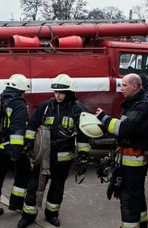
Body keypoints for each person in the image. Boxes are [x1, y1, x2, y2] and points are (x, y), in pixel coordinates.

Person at [18, 74, 91, 228]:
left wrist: (84, 157)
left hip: (63, 158)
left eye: (61, 92)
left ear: (70, 92)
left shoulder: (79, 110)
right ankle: (28, 215)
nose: (57, 95)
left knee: (57, 188)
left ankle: (52, 214)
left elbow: (84, 135)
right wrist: (29, 143)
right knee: (34, 185)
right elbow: (32, 125)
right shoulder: (45, 107)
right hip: (43, 155)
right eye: (55, 92)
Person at [95, 73, 148, 228]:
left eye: (124, 85)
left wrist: (103, 118)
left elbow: (125, 128)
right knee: (137, 197)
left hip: (133, 164)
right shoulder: (133, 103)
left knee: (129, 200)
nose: (121, 88)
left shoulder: (142, 106)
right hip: (127, 160)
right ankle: (142, 225)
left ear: (134, 87)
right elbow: (122, 127)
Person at [0, 74, 32, 219]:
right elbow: (17, 129)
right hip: (11, 148)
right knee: (24, 174)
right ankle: (16, 204)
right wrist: (17, 153)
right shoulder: (18, 103)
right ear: (21, 90)